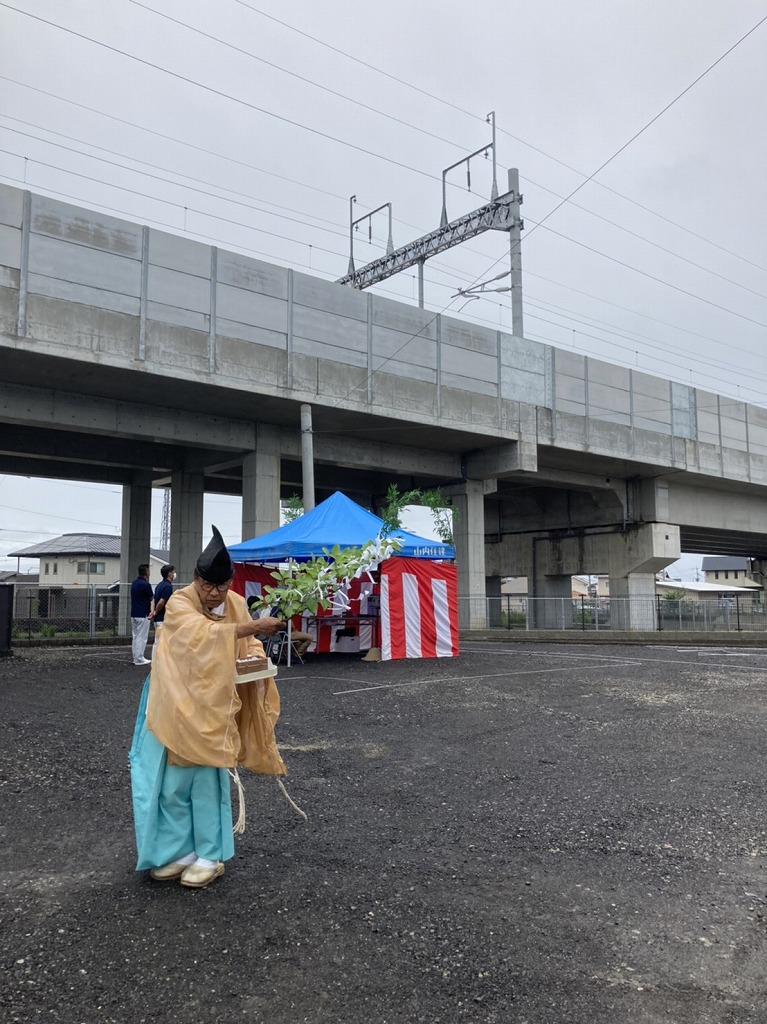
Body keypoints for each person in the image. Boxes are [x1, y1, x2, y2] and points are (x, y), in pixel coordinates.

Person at [129, 527, 286, 889]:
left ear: (231, 582)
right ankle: (180, 850)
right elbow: (197, 635)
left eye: (221, 586)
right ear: (196, 579)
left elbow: (250, 649)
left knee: (206, 781)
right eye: (207, 586)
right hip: (174, 699)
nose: (214, 594)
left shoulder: (235, 604)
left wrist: (256, 658)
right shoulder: (182, 601)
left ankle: (210, 854)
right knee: (171, 782)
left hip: (215, 704)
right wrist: (251, 628)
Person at [248, 595, 313, 659]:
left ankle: (292, 655)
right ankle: (296, 656)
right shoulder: (285, 610)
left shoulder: (272, 610)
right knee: (309, 638)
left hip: (276, 635)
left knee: (299, 641)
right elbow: (289, 625)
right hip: (285, 634)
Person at [130, 563, 154, 666]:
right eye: (148, 571)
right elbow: (152, 598)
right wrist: (152, 611)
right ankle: (140, 658)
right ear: (146, 573)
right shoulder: (146, 585)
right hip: (143, 614)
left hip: (134, 613)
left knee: (135, 636)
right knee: (142, 637)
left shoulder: (134, 583)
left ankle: (136, 656)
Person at [148, 564, 175, 635]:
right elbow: (161, 602)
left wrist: (153, 611)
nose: (174, 574)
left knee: (157, 642)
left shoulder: (159, 585)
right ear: (169, 574)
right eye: (172, 572)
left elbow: (153, 600)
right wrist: (156, 612)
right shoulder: (168, 586)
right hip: (163, 618)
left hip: (157, 620)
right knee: (163, 642)